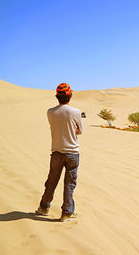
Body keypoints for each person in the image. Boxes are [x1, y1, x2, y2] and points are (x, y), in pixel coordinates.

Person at [36, 83, 83, 222]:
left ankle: (44, 207)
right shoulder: (76, 112)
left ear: (57, 97)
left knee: (51, 181)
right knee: (69, 184)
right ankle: (67, 213)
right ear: (70, 96)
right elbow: (79, 131)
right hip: (72, 153)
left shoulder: (50, 112)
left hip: (56, 152)